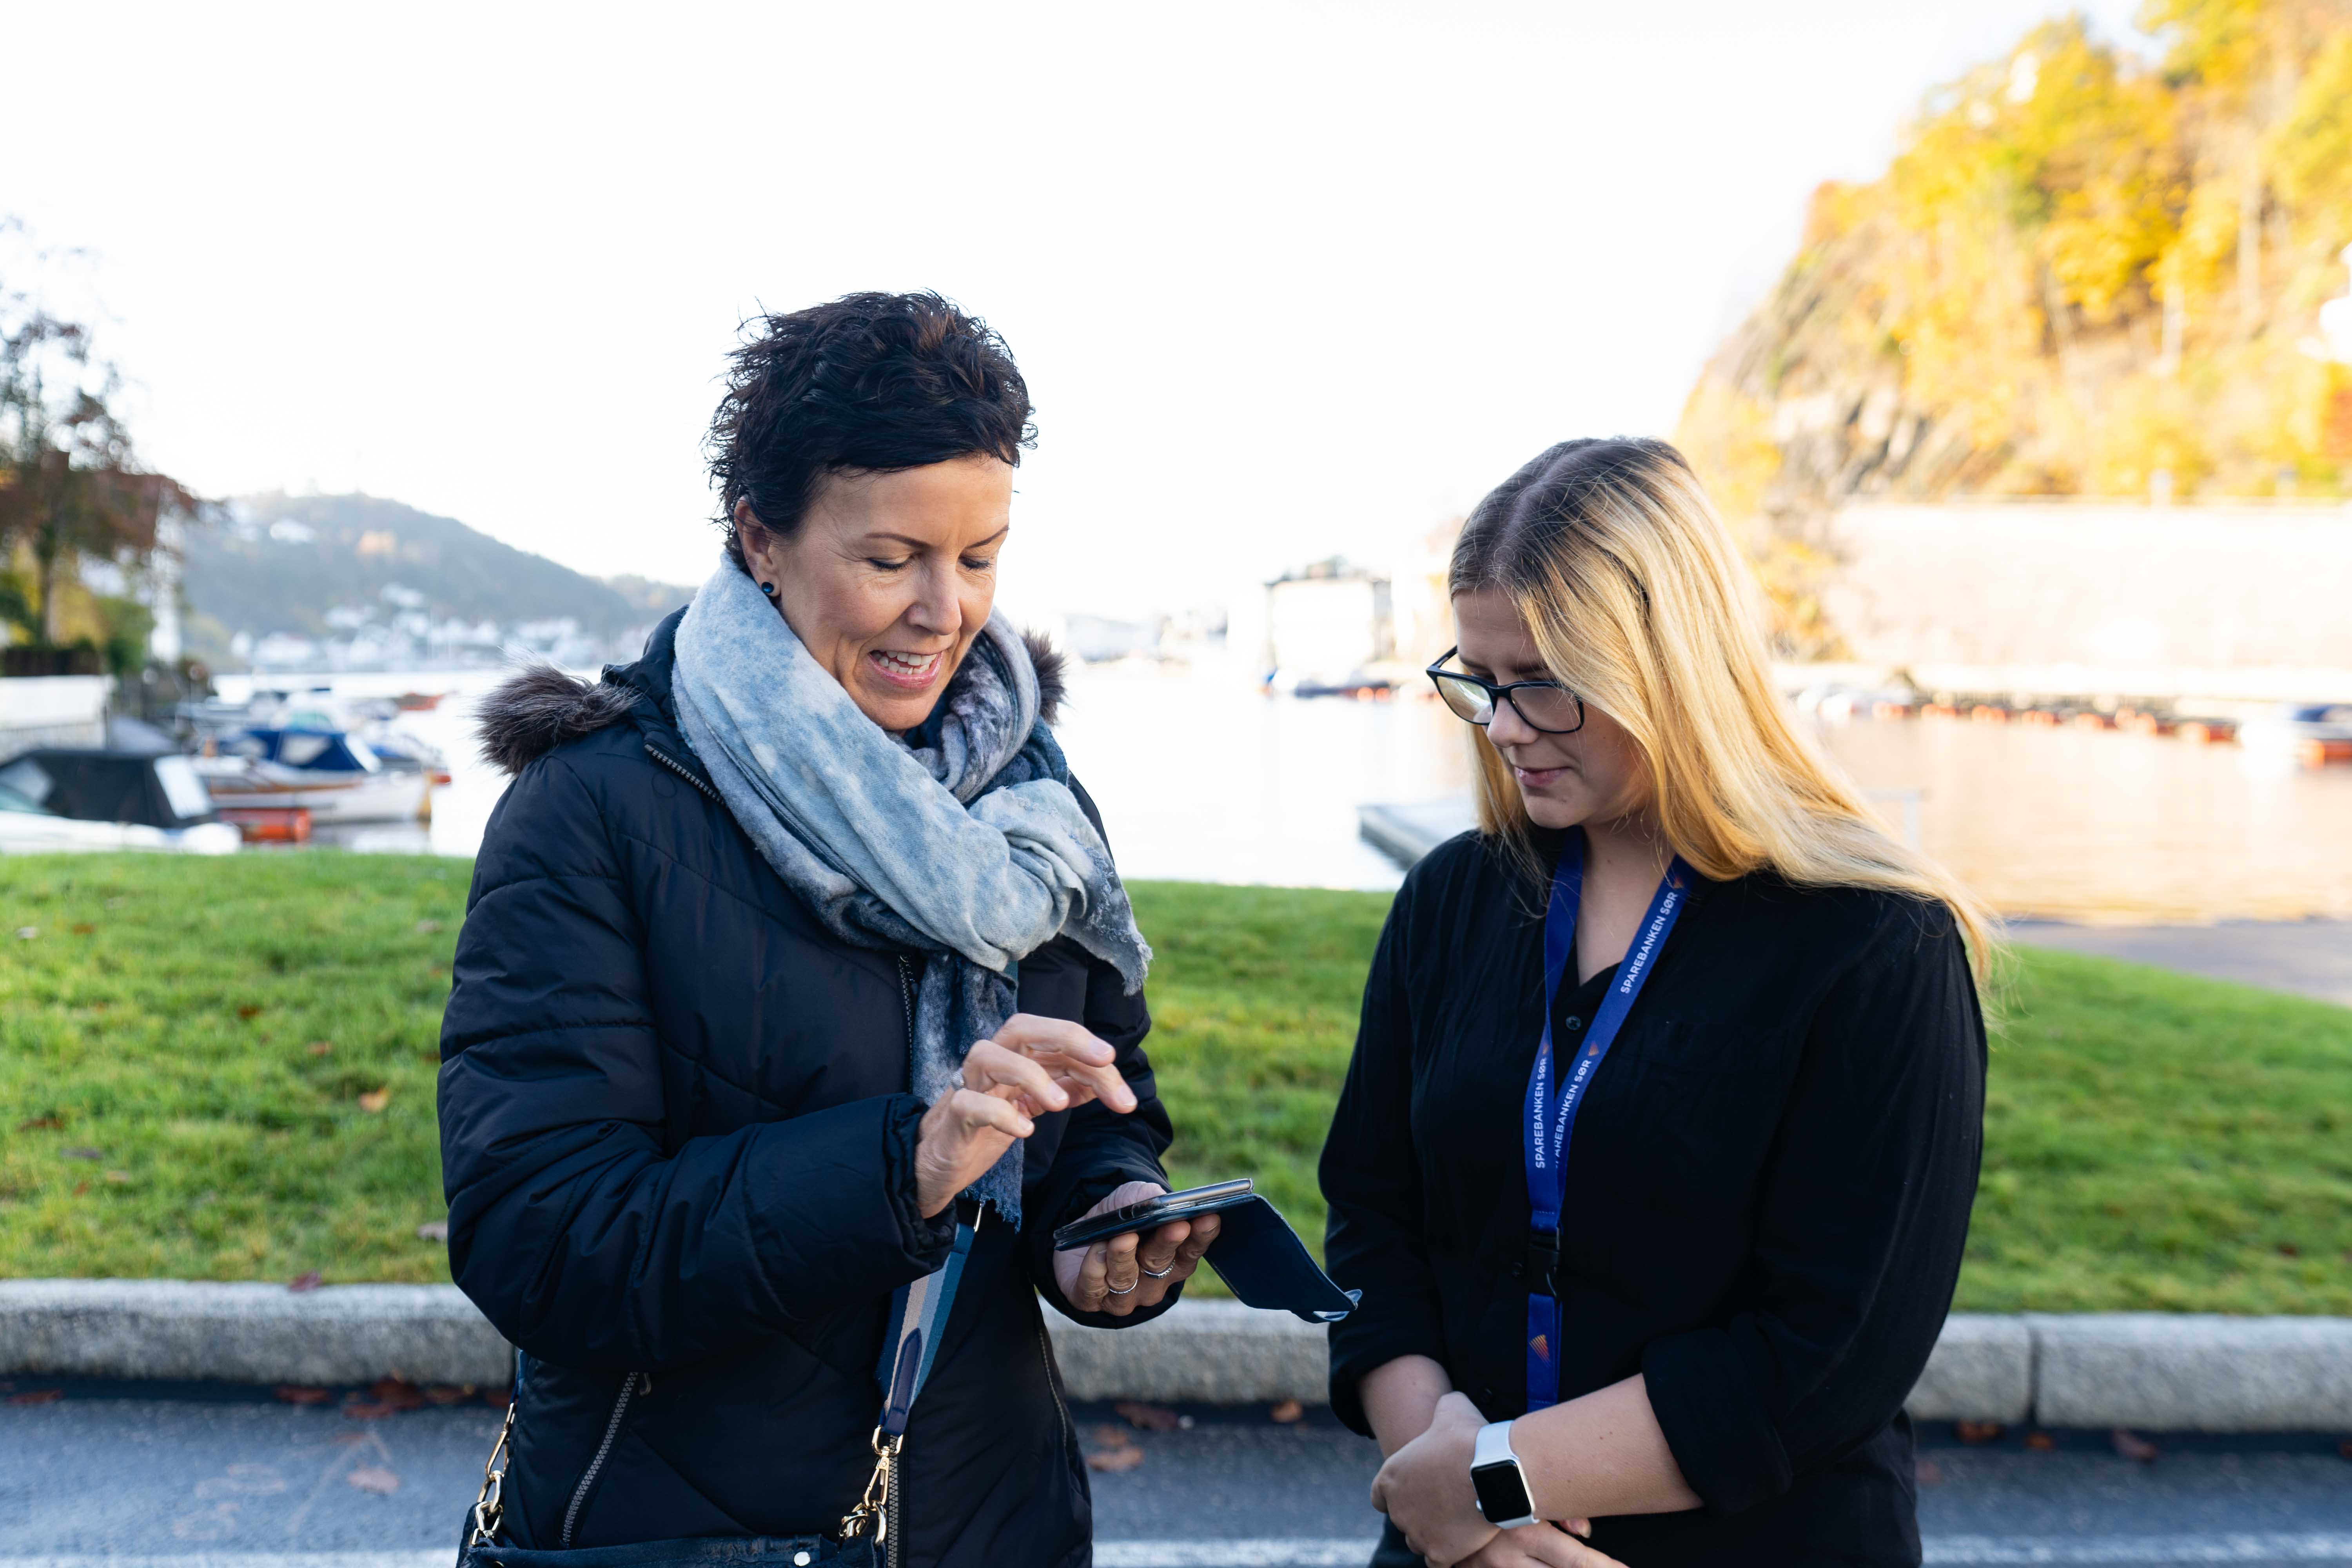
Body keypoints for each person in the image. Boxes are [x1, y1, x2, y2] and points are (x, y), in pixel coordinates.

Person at [438, 291, 1217, 1568]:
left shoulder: (1027, 794)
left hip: (993, 1516)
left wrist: (1105, 1224)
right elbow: (542, 1239)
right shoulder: (593, 809)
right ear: (760, 538)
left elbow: (1091, 1094)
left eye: (978, 559)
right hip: (680, 1532)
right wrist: (904, 1167)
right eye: (890, 557)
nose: (944, 611)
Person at [1320, 438, 1991, 1568]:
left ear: (1669, 666)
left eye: (1545, 686)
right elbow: (1373, 1220)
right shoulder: (1454, 899)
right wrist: (1448, 1490)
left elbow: (1834, 1344)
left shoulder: (1874, 942)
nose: (1504, 725)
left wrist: (1497, 1479)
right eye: (1479, 680)